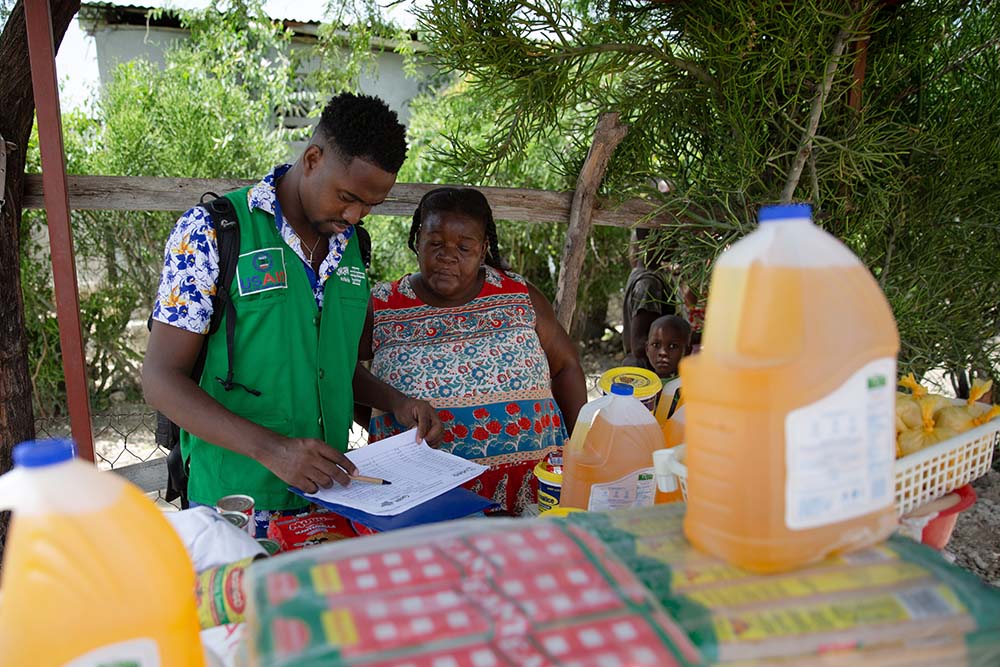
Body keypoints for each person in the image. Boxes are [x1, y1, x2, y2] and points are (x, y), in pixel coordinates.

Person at [142, 93, 443, 536]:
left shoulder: (352, 248)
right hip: (235, 504)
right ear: (313, 159)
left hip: (331, 497)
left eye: (369, 206)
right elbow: (161, 379)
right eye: (347, 197)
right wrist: (273, 451)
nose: (355, 214)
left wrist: (394, 402)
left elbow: (330, 363)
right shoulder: (212, 232)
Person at [360, 187, 588, 515]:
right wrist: (393, 407)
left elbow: (566, 365)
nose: (447, 255)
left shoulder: (518, 294)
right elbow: (337, 370)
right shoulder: (384, 305)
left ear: (482, 250)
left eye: (464, 247)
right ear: (416, 241)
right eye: (435, 243)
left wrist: (579, 450)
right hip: (424, 499)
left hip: (534, 496)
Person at [622, 228, 675, 369]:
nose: (675, 244)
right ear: (648, 240)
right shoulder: (648, 283)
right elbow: (640, 346)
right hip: (647, 375)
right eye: (670, 237)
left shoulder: (646, 276)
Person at [646, 315, 693, 426]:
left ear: (687, 351)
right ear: (647, 349)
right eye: (656, 345)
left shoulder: (684, 387)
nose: (663, 352)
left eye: (672, 346)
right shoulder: (642, 384)